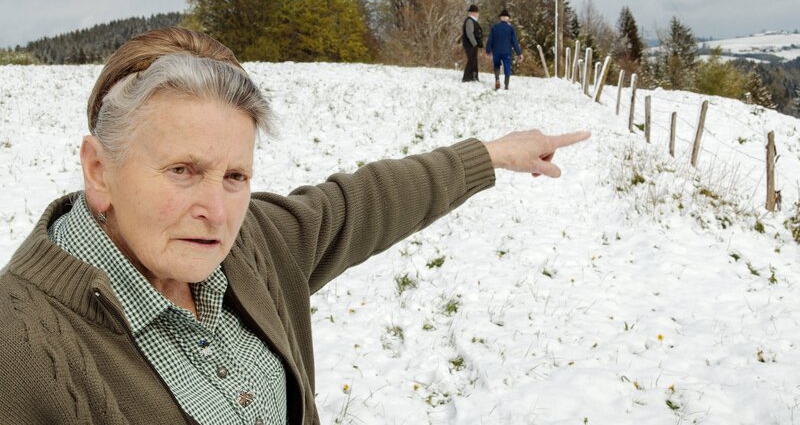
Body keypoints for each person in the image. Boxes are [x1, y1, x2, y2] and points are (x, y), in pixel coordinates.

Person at [0, 27, 589, 424]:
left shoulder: (253, 244)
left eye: (235, 176)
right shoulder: (20, 347)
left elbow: (364, 202)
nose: (217, 212)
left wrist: (491, 155)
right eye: (183, 170)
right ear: (98, 170)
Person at [485, 9, 523, 90]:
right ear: (508, 18)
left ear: (500, 18)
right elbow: (514, 42)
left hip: (496, 51)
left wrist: (488, 51)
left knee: (496, 65)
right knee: (507, 67)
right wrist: (519, 53)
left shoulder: (494, 27)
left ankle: (497, 79)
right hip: (506, 52)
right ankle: (506, 85)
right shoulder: (510, 28)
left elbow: (490, 40)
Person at [461, 4, 483, 82]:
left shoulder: (473, 21)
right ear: (473, 13)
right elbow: (470, 34)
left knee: (473, 60)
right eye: (477, 12)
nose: (478, 14)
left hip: (472, 44)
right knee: (471, 60)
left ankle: (473, 77)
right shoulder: (470, 21)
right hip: (470, 44)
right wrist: (475, 44)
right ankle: (467, 77)